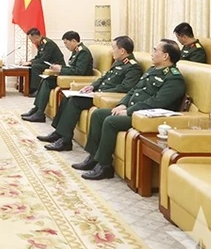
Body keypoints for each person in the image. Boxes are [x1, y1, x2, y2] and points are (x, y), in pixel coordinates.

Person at [72, 39, 186, 180]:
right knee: (99, 114)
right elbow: (134, 90)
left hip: (147, 117)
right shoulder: (152, 70)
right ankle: (93, 158)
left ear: (165, 56)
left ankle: (104, 166)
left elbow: (157, 102)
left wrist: (129, 111)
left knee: (111, 121)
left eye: (156, 50)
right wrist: (122, 104)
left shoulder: (174, 78)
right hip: (133, 110)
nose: (152, 53)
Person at [41, 36, 143, 151]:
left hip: (105, 97)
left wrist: (100, 93)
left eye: (113, 47)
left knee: (75, 101)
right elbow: (103, 78)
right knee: (68, 97)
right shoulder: (118, 62)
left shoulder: (133, 67)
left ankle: (65, 140)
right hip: (98, 93)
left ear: (122, 51)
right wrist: (92, 86)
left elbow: (125, 88)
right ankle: (58, 133)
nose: (111, 50)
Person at [22, 31, 93, 123]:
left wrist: (61, 70)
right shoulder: (76, 50)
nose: (65, 46)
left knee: (47, 81)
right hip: (71, 76)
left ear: (73, 41)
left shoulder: (83, 52)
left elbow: (79, 71)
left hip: (77, 80)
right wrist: (59, 68)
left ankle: (39, 113)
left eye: (66, 43)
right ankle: (37, 109)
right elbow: (72, 68)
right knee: (46, 80)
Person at [22, 28, 65, 99]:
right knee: (31, 66)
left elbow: (44, 59)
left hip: (54, 65)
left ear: (36, 37)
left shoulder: (48, 43)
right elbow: (38, 57)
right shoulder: (41, 43)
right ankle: (29, 88)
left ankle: (37, 90)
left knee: (35, 66)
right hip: (47, 63)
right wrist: (29, 62)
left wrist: (31, 62)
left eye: (31, 39)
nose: (31, 41)